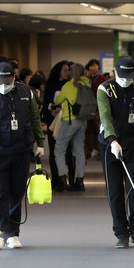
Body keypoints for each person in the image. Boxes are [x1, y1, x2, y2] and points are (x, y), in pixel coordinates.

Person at [0, 62, 45, 250]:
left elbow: (34, 118)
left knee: (16, 193)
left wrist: (40, 143)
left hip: (22, 150)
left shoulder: (27, 93)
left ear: (14, 78)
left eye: (7, 82)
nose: (3, 86)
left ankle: (13, 234)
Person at [97, 56, 134, 249]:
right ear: (115, 71)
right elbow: (105, 117)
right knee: (115, 192)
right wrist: (112, 140)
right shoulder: (104, 89)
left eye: (130, 76)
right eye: (122, 75)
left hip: (133, 145)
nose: (126, 80)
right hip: (109, 146)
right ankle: (121, 234)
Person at [54, 63, 89, 192]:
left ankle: (62, 179)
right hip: (83, 121)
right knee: (79, 150)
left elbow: (58, 100)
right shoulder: (87, 84)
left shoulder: (68, 86)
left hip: (69, 121)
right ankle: (80, 181)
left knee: (59, 149)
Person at [42, 60, 75, 190]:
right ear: (59, 72)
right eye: (65, 70)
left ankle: (68, 178)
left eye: (69, 70)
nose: (67, 73)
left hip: (68, 121)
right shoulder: (51, 85)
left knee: (68, 151)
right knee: (53, 151)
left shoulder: (71, 85)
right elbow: (46, 103)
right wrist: (53, 111)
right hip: (53, 121)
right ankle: (56, 178)